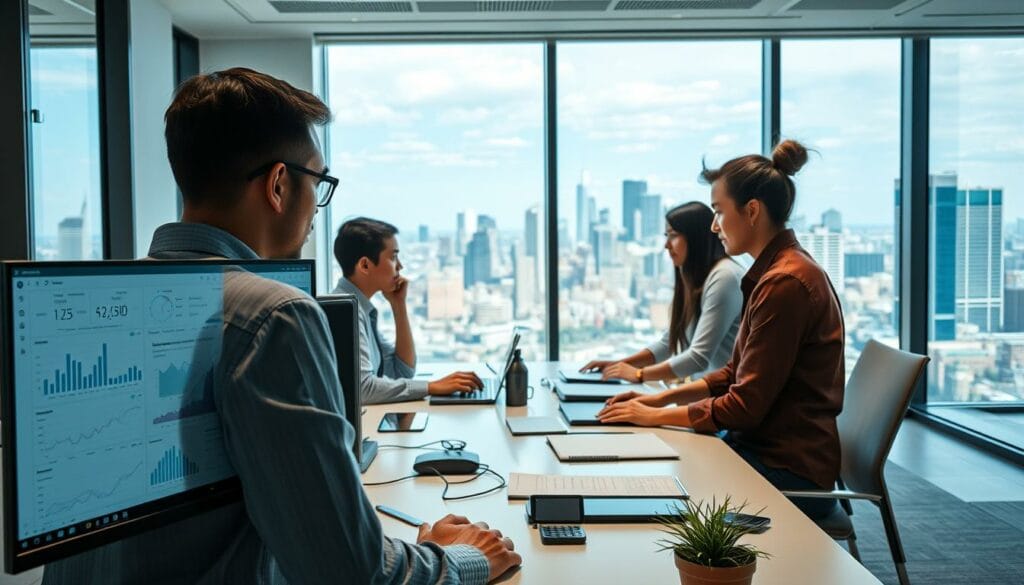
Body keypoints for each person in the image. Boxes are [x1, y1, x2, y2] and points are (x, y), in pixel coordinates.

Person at [43, 68, 520, 585]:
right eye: (318, 183)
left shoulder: (93, 305)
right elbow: (351, 573)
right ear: (278, 184)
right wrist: (461, 557)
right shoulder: (274, 316)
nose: (316, 208)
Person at [598, 140, 845, 521]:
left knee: (661, 490)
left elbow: (743, 406)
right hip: (764, 451)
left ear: (751, 211)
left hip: (786, 472)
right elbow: (733, 374)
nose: (714, 226)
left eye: (718, 212)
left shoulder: (785, 283)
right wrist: (658, 402)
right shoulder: (774, 273)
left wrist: (654, 415)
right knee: (658, 465)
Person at [580, 202, 743, 383]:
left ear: (696, 238)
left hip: (727, 399)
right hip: (708, 396)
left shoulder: (724, 277)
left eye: (673, 236)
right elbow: (668, 343)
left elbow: (698, 357)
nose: (666, 245)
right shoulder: (697, 278)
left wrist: (639, 375)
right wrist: (617, 365)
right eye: (666, 236)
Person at [332, 218, 484, 404]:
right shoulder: (344, 312)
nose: (400, 266)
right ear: (365, 265)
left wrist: (399, 306)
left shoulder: (361, 309)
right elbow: (363, 389)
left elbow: (402, 371)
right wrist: (432, 387)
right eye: (393, 257)